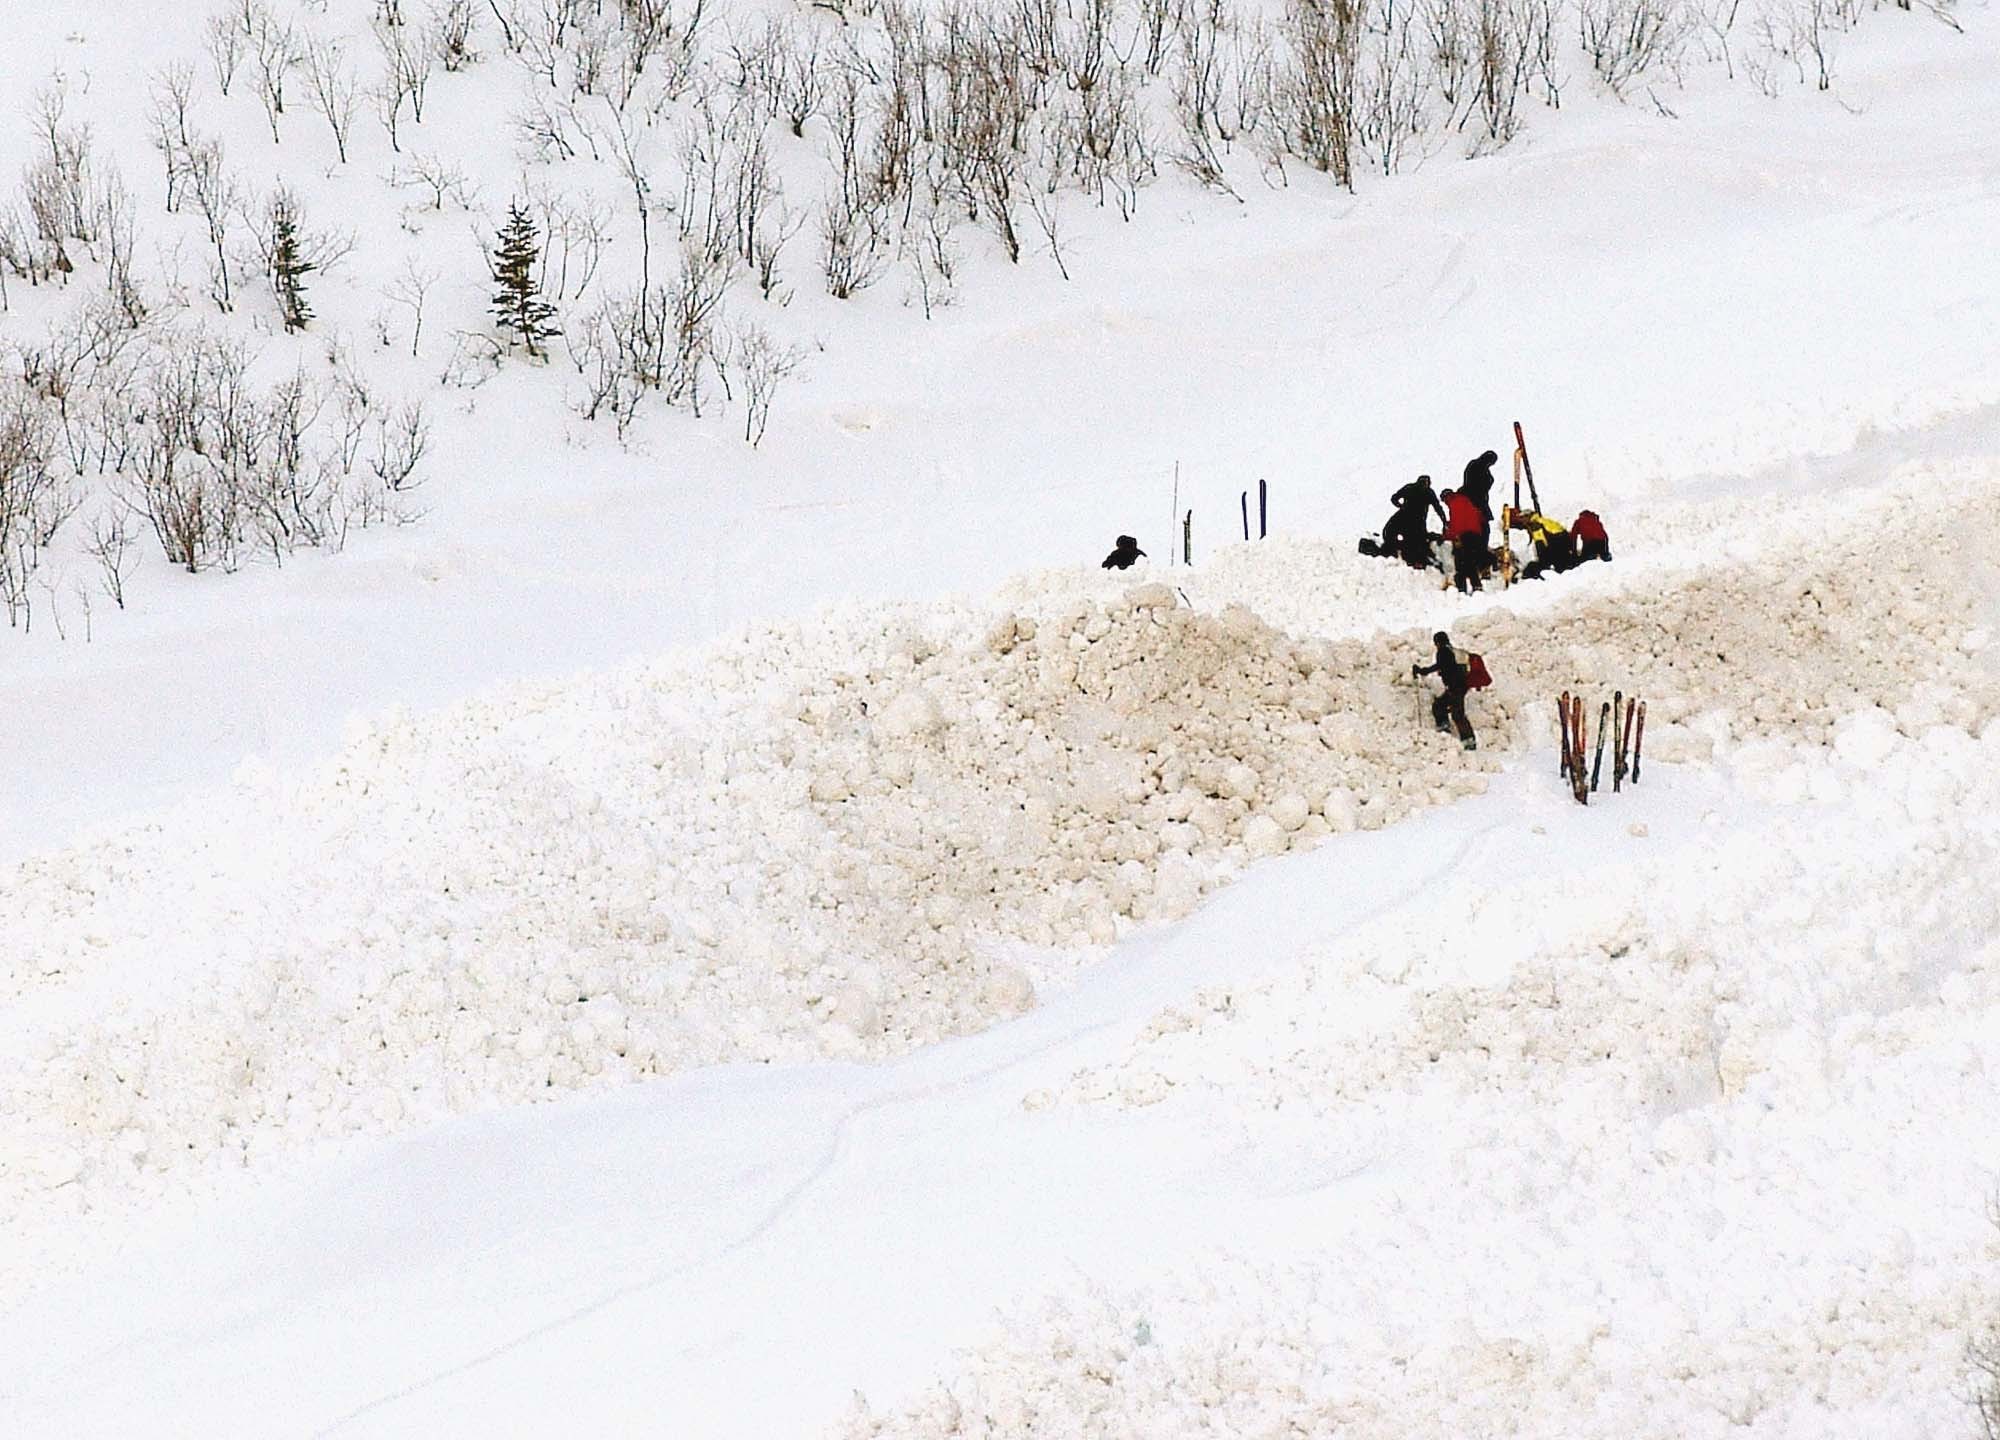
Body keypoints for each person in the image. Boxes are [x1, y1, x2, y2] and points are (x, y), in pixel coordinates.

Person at [1413, 630, 1476, 750]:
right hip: (1458, 686)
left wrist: (1423, 671)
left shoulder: (1443, 651)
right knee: (1439, 705)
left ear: (1437, 642)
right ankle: (1444, 729)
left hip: (1456, 687)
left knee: (1457, 714)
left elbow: (1440, 665)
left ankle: (1469, 741)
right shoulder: (1452, 650)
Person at [1379, 475, 1445, 569]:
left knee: (1391, 533)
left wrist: (1400, 506)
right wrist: (1444, 520)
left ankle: (1395, 553)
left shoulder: (1409, 487)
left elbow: (1394, 498)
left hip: (1403, 517)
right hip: (1417, 521)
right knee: (1416, 541)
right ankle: (1414, 560)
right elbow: (1438, 508)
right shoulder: (1428, 492)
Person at [1441, 487, 1486, 593]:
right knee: (1470, 562)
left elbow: (1457, 523)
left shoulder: (1454, 503)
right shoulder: (1465, 500)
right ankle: (1476, 586)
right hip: (1476, 534)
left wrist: (1448, 536)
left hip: (1466, 535)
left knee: (1460, 563)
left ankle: (1461, 589)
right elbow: (1478, 515)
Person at [1461, 450, 1500, 529]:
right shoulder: (1479, 467)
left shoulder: (1477, 465)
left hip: (1475, 499)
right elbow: (1481, 483)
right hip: (1476, 500)